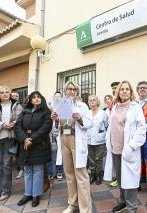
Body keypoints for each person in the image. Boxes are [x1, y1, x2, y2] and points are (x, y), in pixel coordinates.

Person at [51, 81, 93, 213]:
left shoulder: (82, 105)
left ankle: (85, 208)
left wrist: (80, 119)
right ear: (65, 91)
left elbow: (90, 123)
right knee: (69, 174)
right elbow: (57, 127)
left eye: (74, 89)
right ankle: (72, 204)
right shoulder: (62, 104)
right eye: (69, 89)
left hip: (76, 139)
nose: (71, 91)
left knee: (81, 175)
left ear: (77, 91)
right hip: (64, 139)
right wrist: (56, 120)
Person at [110, 81, 146, 213]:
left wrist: (131, 146)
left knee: (129, 180)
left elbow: (141, 129)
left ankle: (132, 207)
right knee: (120, 178)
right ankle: (123, 201)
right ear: (118, 92)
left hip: (128, 150)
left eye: (127, 89)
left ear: (131, 92)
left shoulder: (135, 107)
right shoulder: (114, 106)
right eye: (122, 89)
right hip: (115, 149)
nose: (124, 91)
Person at [15, 91, 52, 207]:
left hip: (39, 144)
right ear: (30, 100)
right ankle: (27, 194)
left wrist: (31, 139)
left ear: (42, 99)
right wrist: (24, 138)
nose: (36, 99)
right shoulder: (24, 111)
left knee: (37, 170)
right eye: (33, 97)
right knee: (27, 171)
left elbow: (45, 128)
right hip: (25, 144)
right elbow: (18, 126)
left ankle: (36, 195)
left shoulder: (46, 112)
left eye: (38, 97)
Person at [87, 95, 108, 185]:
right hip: (89, 139)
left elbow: (107, 125)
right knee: (91, 159)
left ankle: (99, 175)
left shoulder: (102, 113)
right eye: (90, 100)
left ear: (97, 102)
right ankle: (92, 175)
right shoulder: (87, 113)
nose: (92, 101)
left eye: (94, 100)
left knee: (98, 158)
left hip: (100, 140)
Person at [48, 91, 63, 181]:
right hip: (50, 133)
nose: (57, 98)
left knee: (59, 154)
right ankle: (50, 173)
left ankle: (59, 172)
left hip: (60, 134)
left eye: (59, 97)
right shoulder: (49, 108)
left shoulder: (64, 107)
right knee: (50, 154)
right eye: (56, 97)